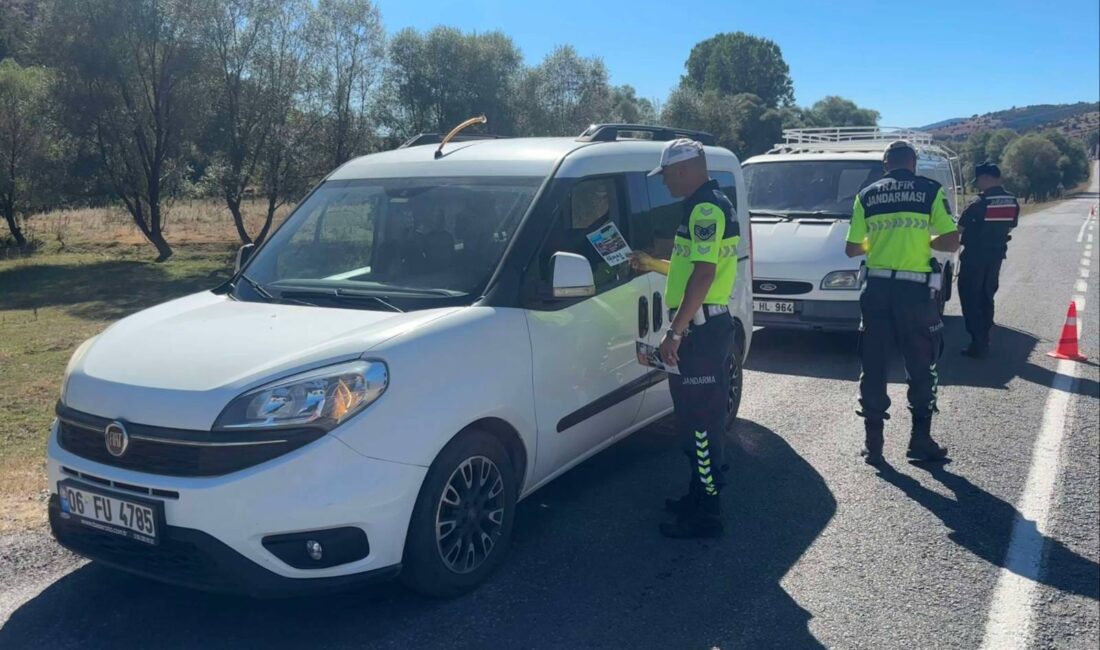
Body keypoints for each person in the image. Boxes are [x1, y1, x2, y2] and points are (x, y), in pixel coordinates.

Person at [630, 139, 740, 538]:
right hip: (702, 329)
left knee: (702, 426)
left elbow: (705, 274)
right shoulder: (702, 204)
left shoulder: (705, 208)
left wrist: (675, 331)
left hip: (701, 332)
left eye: (667, 176)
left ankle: (708, 511)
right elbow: (687, 265)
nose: (665, 184)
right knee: (694, 421)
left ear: (685, 169)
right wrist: (650, 264)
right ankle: (698, 494)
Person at [844, 140, 960, 465]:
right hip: (916, 295)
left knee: (874, 364)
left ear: (885, 165)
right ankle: (919, 442)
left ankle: (874, 446)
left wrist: (879, 240)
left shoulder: (866, 195)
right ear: (914, 164)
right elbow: (951, 241)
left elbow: (852, 249)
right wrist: (921, 238)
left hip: (876, 291)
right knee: (922, 364)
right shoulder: (930, 190)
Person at [957, 162, 1019, 358]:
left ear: (985, 178)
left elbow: (960, 229)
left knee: (970, 298)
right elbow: (1010, 226)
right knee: (986, 295)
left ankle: (978, 342)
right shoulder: (1011, 200)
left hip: (974, 257)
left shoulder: (978, 202)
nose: (978, 184)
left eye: (979, 180)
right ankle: (985, 334)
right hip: (996, 256)